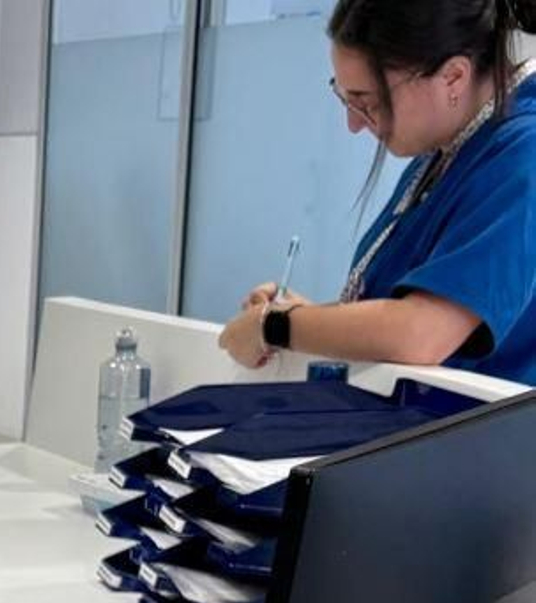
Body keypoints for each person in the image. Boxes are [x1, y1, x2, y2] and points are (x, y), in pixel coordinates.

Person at [219, 0, 536, 386]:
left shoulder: (523, 154)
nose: (353, 124)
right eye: (346, 98)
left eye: (365, 102)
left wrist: (277, 325)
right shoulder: (447, 152)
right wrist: (310, 318)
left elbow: (423, 333)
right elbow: (404, 314)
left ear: (453, 77)